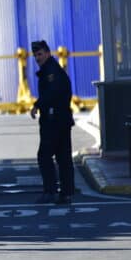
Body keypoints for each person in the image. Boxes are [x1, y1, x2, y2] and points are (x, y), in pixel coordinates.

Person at [30, 40, 75, 205]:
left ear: (48, 53)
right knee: (63, 157)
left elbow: (52, 94)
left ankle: (50, 191)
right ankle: (66, 193)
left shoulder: (51, 72)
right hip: (61, 119)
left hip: (54, 120)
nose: (37, 58)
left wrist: (37, 105)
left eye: (40, 54)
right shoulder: (51, 69)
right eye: (35, 55)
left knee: (44, 156)